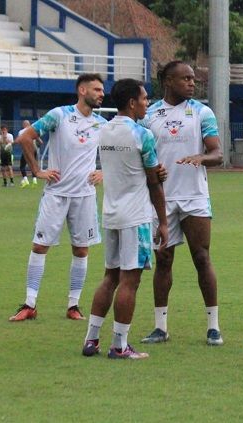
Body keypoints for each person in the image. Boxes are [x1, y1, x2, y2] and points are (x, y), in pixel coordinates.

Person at [8, 73, 107, 322]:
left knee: (81, 250)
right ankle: (30, 304)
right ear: (82, 91)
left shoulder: (101, 124)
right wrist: (37, 171)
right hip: (56, 193)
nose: (101, 94)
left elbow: (116, 151)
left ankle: (74, 305)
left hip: (85, 195)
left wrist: (104, 170)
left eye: (102, 90)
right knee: (40, 246)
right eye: (96, 89)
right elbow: (24, 137)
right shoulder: (59, 115)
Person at [138, 61, 224, 346]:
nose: (192, 83)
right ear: (168, 82)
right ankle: (160, 327)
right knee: (163, 260)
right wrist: (153, 172)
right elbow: (140, 155)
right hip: (161, 199)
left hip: (194, 196)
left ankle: (213, 326)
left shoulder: (202, 112)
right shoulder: (149, 115)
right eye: (185, 78)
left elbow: (217, 153)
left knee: (202, 257)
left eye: (193, 79)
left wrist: (201, 158)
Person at [81, 78, 168, 359]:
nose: (147, 103)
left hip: (111, 213)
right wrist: (164, 221)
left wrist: (151, 173)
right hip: (136, 216)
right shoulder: (142, 134)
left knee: (110, 277)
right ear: (132, 103)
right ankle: (119, 345)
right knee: (130, 281)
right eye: (144, 99)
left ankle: (91, 339)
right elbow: (154, 181)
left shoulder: (104, 131)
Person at [18, 120, 43, 188]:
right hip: (33, 150)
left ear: (24, 125)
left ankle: (26, 180)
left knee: (22, 165)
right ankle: (34, 180)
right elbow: (41, 142)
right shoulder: (33, 130)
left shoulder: (21, 132)